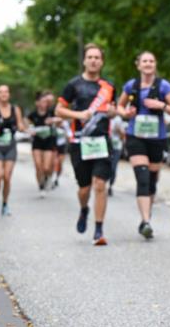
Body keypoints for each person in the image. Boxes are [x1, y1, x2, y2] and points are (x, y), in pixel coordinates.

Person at [57, 44, 118, 246]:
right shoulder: (73, 85)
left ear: (102, 61)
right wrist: (78, 115)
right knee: (84, 189)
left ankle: (99, 229)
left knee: (100, 185)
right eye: (90, 57)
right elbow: (59, 110)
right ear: (84, 60)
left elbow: (114, 109)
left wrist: (111, 111)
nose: (93, 60)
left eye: (97, 57)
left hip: (102, 141)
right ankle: (84, 209)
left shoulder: (108, 86)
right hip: (79, 142)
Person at [117, 51, 170, 238]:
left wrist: (160, 106)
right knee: (142, 177)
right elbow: (120, 107)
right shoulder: (131, 86)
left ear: (155, 64)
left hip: (157, 137)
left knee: (152, 180)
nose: (148, 64)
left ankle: (147, 215)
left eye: (151, 61)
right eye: (144, 61)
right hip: (135, 136)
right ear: (138, 65)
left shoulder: (164, 86)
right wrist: (125, 113)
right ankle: (146, 221)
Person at [0, 84, 27, 216]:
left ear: (9, 94)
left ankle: (5, 203)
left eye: (6, 92)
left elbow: (21, 125)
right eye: (1, 92)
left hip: (10, 146)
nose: (4, 94)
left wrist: (19, 127)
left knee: (7, 178)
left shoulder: (15, 109)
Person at [27, 90, 57, 197]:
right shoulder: (33, 114)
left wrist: (53, 120)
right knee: (38, 165)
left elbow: (61, 119)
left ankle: (48, 177)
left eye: (46, 102)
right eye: (42, 102)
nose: (44, 104)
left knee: (47, 167)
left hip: (49, 141)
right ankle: (41, 186)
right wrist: (29, 129)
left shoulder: (51, 112)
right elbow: (26, 124)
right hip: (37, 142)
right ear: (37, 103)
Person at [107, 113, 124, 197]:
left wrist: (119, 131)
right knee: (106, 166)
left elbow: (123, 136)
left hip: (116, 147)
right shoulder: (104, 116)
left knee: (113, 167)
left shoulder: (118, 119)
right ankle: (103, 184)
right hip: (106, 147)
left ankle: (110, 185)